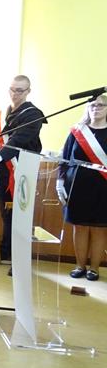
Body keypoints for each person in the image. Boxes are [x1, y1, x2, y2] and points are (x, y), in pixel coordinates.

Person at [0, 75, 45, 267]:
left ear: (28, 91)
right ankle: (5, 251)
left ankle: (19, 259)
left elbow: (19, 139)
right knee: (6, 213)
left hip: (22, 171)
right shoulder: (1, 115)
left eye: (20, 90)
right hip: (3, 172)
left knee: (21, 215)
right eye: (12, 89)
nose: (15, 94)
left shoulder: (33, 115)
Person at [57, 94, 107, 281]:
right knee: (80, 227)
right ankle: (80, 266)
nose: (96, 108)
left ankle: (94, 268)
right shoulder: (77, 132)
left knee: (99, 229)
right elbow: (64, 158)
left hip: (103, 188)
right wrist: (60, 181)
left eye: (101, 105)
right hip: (77, 187)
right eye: (92, 105)